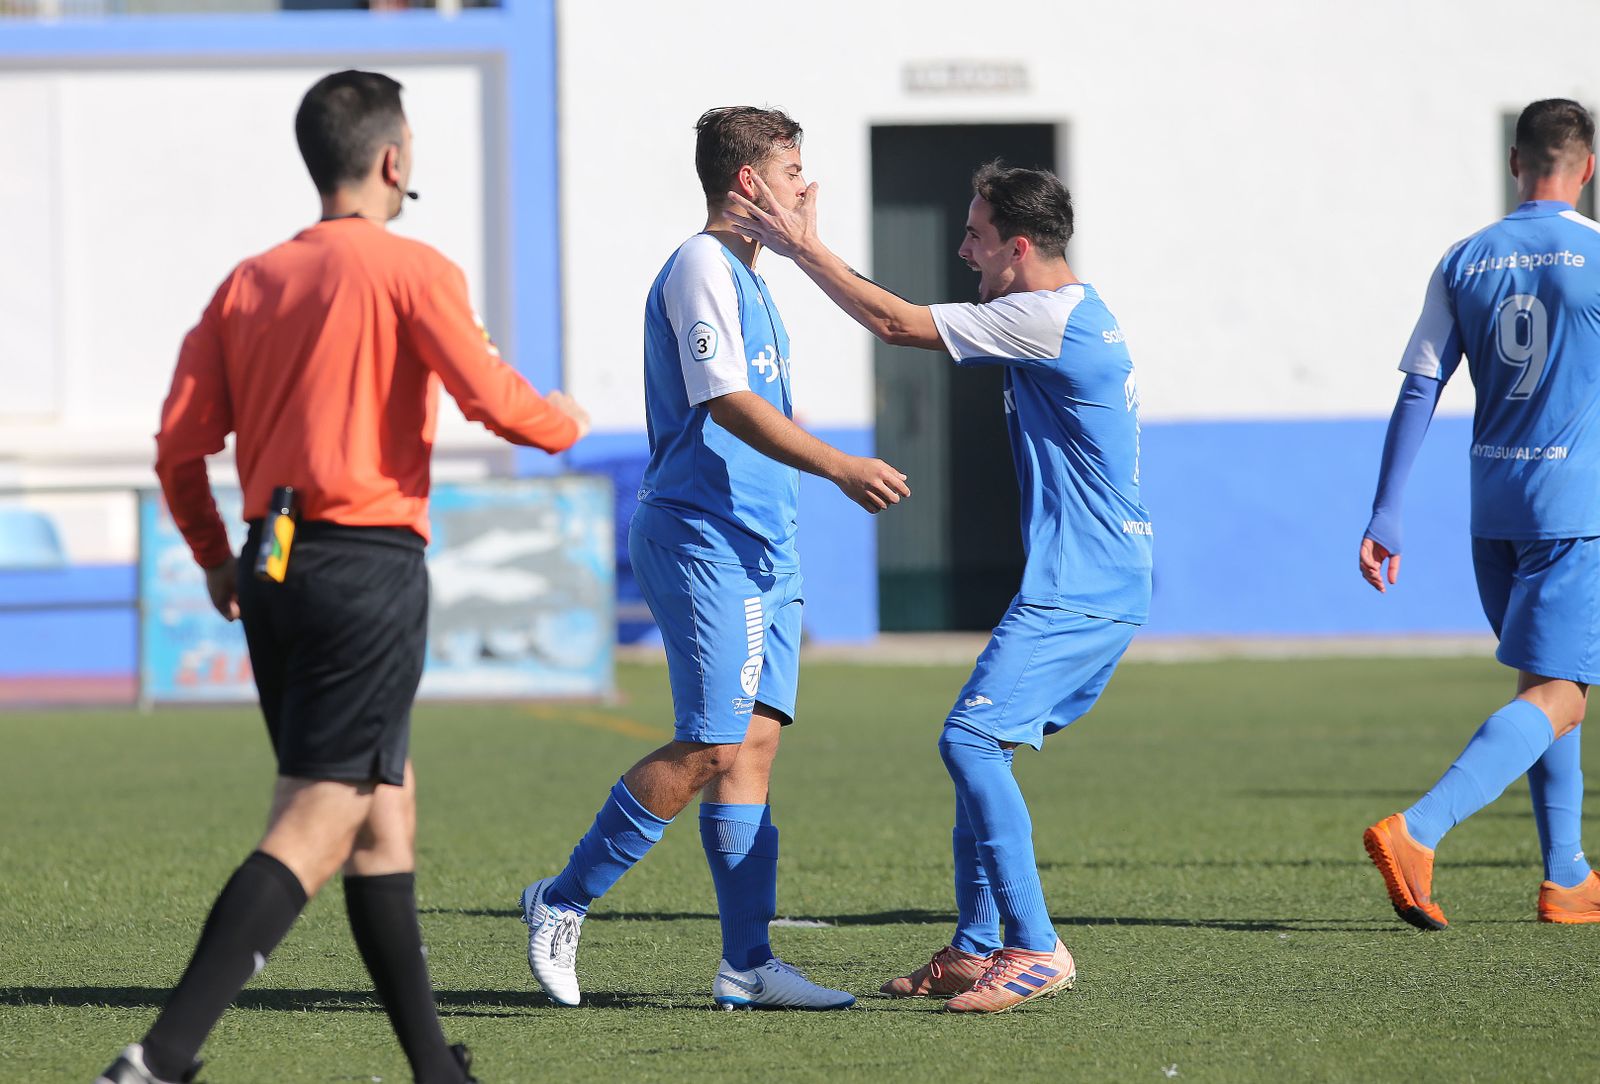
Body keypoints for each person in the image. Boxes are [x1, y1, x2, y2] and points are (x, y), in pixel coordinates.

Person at [97, 69, 588, 1084]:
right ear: (393, 159)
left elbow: (177, 448)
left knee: (379, 813)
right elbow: (495, 401)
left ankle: (433, 1069)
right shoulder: (412, 269)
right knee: (321, 814)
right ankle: (158, 1058)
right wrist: (567, 420)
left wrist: (218, 562)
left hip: (275, 566)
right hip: (366, 566)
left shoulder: (248, 280)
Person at [729, 160, 1153, 1012]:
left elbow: (894, 324)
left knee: (970, 741)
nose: (963, 250)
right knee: (978, 744)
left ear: (1020, 247)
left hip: (1084, 585)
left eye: (975, 235)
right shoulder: (1067, 312)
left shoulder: (1047, 315)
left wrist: (801, 245)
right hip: (1092, 579)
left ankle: (1035, 947)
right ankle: (974, 946)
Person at [517, 106, 908, 1011]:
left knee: (754, 749)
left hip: (766, 541)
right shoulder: (700, 265)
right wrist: (841, 464)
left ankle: (748, 964)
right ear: (747, 183)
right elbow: (726, 401)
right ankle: (561, 901)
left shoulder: (754, 274)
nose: (807, 187)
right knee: (711, 741)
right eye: (793, 169)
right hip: (704, 536)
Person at [1357, 98, 1600, 929]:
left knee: (1547, 681)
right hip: (1575, 512)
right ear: (1590, 168)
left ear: (1515, 164)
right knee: (1564, 694)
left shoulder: (1466, 258)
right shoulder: (1598, 257)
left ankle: (1567, 878)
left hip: (1491, 513)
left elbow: (1421, 383)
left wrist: (1386, 512)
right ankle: (1418, 830)